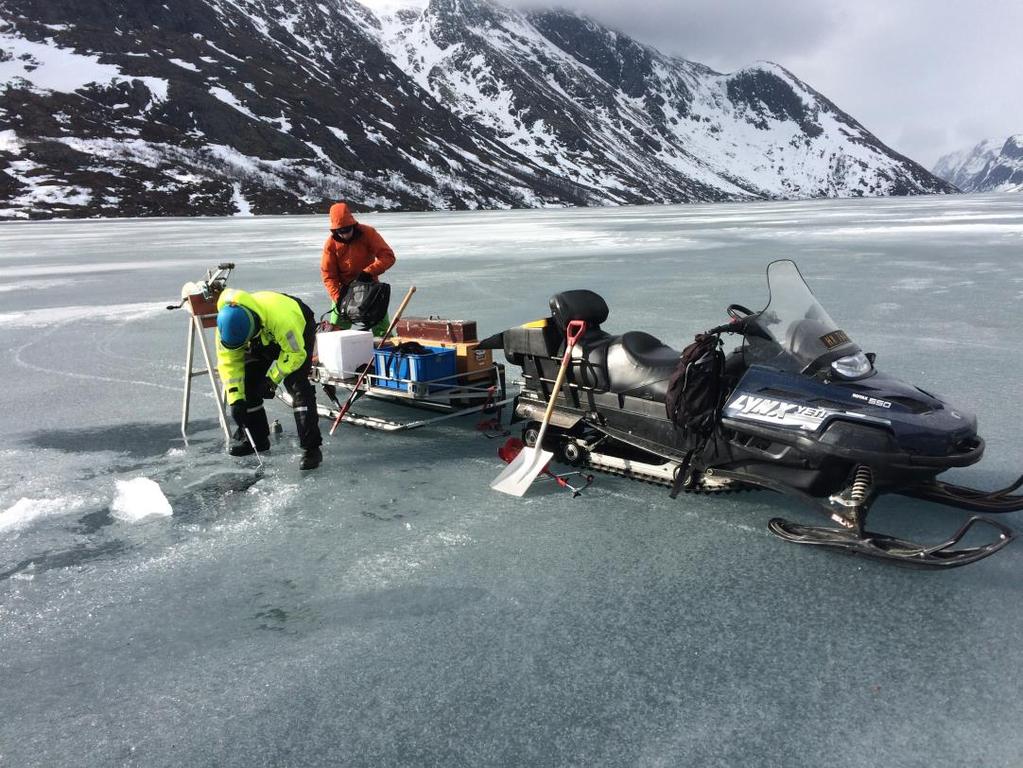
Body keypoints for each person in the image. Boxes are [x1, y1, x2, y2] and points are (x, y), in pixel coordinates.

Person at [216, 288, 322, 470]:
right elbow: (229, 365)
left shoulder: (283, 321)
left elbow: (294, 354)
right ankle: (257, 440)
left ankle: (311, 448)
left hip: (296, 328)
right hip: (262, 335)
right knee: (248, 382)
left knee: (296, 385)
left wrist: (273, 379)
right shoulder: (227, 331)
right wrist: (236, 399)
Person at [320, 201, 395, 335]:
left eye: (348, 230)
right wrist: (339, 298)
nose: (345, 234)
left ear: (353, 225)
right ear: (335, 230)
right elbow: (329, 275)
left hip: (370, 289)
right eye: (340, 232)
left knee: (382, 330)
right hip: (344, 292)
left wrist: (369, 272)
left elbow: (388, 256)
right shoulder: (331, 245)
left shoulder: (368, 233)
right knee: (335, 333)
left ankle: (385, 350)